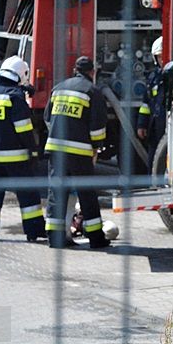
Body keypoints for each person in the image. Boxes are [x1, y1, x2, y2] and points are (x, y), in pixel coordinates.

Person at [44, 56, 110, 249]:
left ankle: (54, 238)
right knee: (87, 194)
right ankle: (96, 238)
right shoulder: (92, 92)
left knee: (56, 193)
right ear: (92, 72)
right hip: (79, 152)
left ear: (75, 70)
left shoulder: (58, 88)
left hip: (56, 149)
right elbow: (97, 127)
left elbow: (47, 118)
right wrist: (96, 147)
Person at [0, 56, 46, 242]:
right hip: (15, 156)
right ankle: (34, 231)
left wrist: (21, 92)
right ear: (20, 74)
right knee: (28, 195)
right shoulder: (15, 97)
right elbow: (23, 128)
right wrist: (33, 150)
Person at [137, 37, 166, 173]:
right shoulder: (153, 78)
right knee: (153, 160)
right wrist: (141, 124)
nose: (162, 60)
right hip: (155, 127)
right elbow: (146, 104)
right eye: (159, 57)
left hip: (167, 125)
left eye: (164, 56)